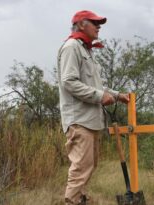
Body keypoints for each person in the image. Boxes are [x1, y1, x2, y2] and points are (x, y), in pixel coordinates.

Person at [57, 10, 129, 205]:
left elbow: (97, 87)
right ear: (81, 24)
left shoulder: (86, 50)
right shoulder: (72, 47)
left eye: (100, 24)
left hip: (90, 121)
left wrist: (116, 95)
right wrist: (99, 97)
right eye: (95, 23)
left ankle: (81, 200)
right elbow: (69, 82)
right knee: (81, 169)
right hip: (80, 120)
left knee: (89, 167)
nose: (99, 27)